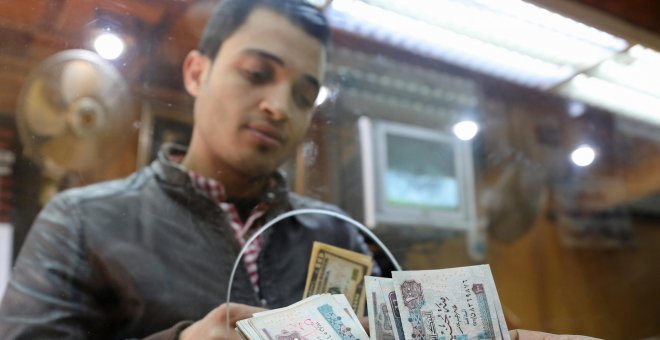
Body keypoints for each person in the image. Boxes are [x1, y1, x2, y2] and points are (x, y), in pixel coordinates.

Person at [0, 0, 376, 339]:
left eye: (304, 96)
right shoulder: (79, 222)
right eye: (257, 73)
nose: (279, 107)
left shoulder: (337, 232)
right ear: (196, 73)